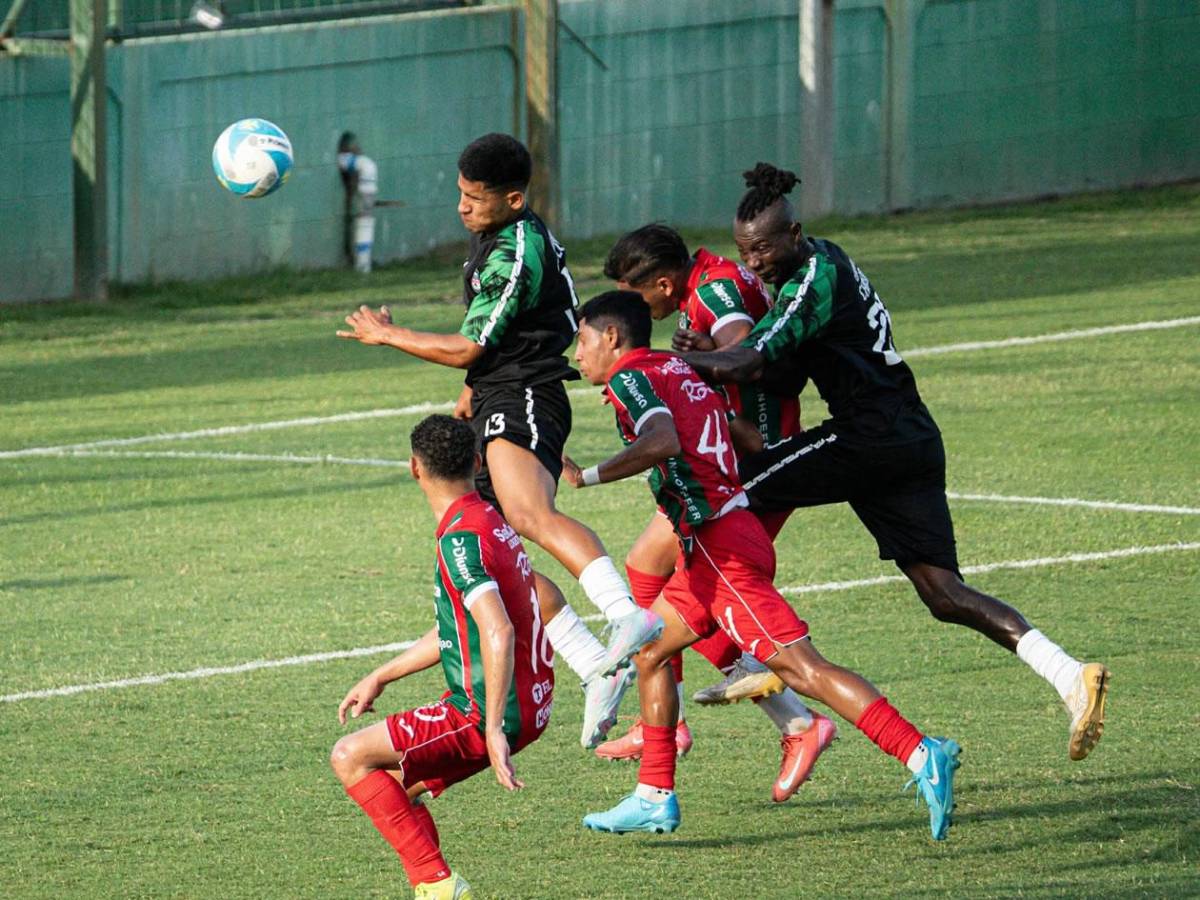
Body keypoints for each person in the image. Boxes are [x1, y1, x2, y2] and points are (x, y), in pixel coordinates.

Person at [684, 163, 1110, 762]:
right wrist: (712, 353)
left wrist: (663, 366)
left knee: (728, 493)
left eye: (762, 249)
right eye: (743, 252)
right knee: (943, 593)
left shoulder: (811, 280)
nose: (753, 263)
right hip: (909, 437)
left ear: (794, 233)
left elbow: (751, 362)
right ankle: (1068, 673)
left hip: (868, 438)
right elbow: (783, 371)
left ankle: (760, 655)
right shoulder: (824, 262)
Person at [563, 292, 961, 841]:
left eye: (583, 339)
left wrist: (587, 476)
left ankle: (919, 751)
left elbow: (662, 439)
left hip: (720, 551)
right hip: (720, 539)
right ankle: (653, 795)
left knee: (803, 670)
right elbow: (748, 436)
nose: (578, 353)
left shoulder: (632, 376)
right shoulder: (678, 369)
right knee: (652, 652)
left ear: (611, 337)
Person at [336, 133, 659, 748]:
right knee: (501, 562)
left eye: (475, 197)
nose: (462, 206)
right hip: (497, 394)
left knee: (529, 515)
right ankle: (596, 666)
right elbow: (497, 340)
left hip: (526, 393)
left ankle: (626, 616)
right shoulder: (496, 236)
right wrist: (472, 389)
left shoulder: (515, 250)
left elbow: (472, 345)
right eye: (460, 193)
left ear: (512, 199)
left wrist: (389, 335)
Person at [599, 224, 835, 803]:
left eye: (633, 296)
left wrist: (698, 358)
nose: (632, 310)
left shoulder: (715, 291)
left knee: (675, 585)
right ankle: (779, 720)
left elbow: (745, 353)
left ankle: (783, 721)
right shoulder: (707, 281)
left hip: (752, 463)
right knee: (657, 575)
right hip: (735, 455)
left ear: (661, 282)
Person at [330, 415, 558, 900]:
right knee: (393, 789)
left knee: (349, 756)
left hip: (489, 710)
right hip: (530, 701)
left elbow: (497, 629)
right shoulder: (488, 519)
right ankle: (432, 885)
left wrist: (492, 729)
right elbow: (460, 628)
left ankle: (438, 885)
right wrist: (382, 675)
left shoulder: (460, 540)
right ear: (477, 463)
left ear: (414, 468)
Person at [337, 131, 379, 273]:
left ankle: (363, 264)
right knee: (365, 223)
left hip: (365, 192)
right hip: (366, 192)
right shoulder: (362, 163)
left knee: (364, 223)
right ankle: (363, 264)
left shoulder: (364, 164)